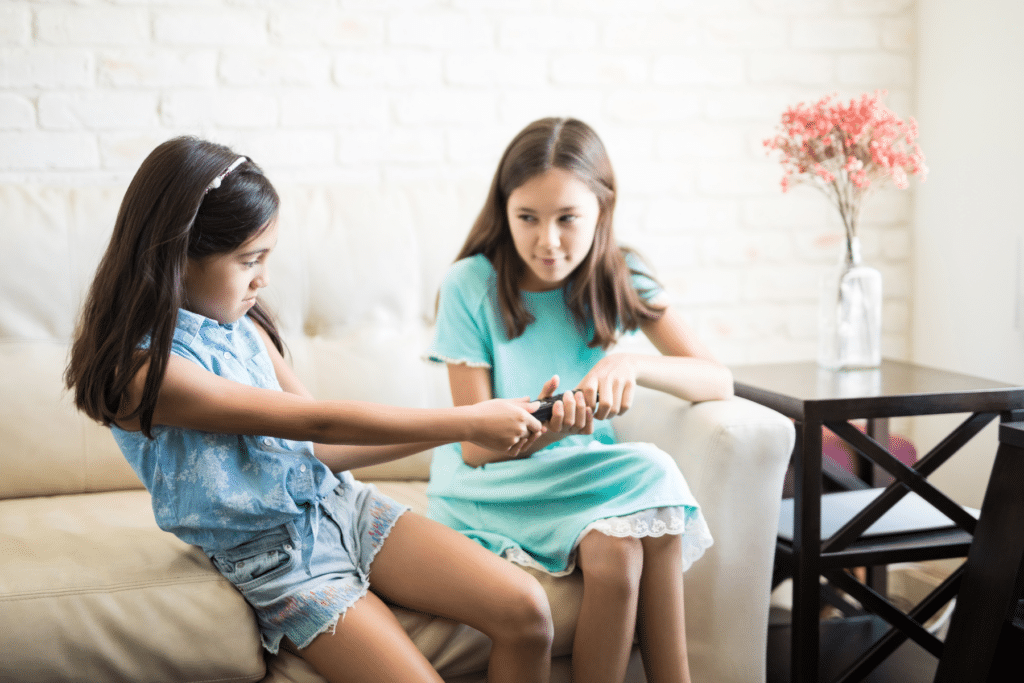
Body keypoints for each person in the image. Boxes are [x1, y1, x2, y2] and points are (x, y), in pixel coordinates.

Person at [64, 136, 555, 683]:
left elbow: (322, 449)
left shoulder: (242, 325)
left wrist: (471, 434)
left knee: (527, 611)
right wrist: (466, 419)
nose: (263, 278)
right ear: (177, 257)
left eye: (268, 256)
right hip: (280, 561)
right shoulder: (145, 375)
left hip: (343, 506)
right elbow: (314, 420)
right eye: (249, 259)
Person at [426, 117, 734, 683]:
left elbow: (718, 381)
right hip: (492, 480)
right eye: (528, 218)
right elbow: (473, 447)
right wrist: (555, 430)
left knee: (618, 558)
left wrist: (631, 362)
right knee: (654, 469)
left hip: (580, 473)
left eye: (568, 218)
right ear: (504, 210)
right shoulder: (470, 284)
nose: (548, 240)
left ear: (602, 210)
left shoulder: (622, 273)